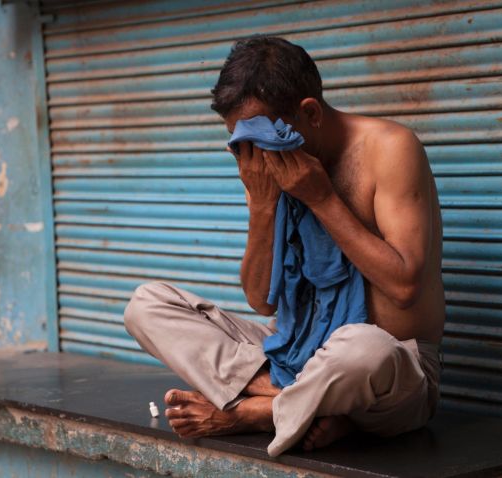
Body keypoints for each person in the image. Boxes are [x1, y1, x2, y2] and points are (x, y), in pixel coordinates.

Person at [123, 36, 445, 456]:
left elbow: (404, 288)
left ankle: (256, 412)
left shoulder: (390, 148)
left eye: (262, 138)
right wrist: (262, 206)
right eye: (241, 141)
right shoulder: (266, 162)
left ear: (309, 113)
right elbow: (261, 301)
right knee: (146, 305)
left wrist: (322, 199)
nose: (254, 154)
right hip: (295, 353)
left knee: (366, 349)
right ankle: (306, 405)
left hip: (390, 377)